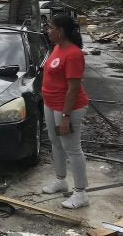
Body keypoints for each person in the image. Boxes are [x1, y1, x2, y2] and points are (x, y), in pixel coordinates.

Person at [41, 13, 89, 209]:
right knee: (56, 144)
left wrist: (66, 117)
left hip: (69, 108)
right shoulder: (56, 48)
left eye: (51, 28)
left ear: (60, 31)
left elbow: (74, 88)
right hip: (51, 104)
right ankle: (61, 180)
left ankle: (81, 193)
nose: (47, 31)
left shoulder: (74, 54)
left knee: (72, 148)